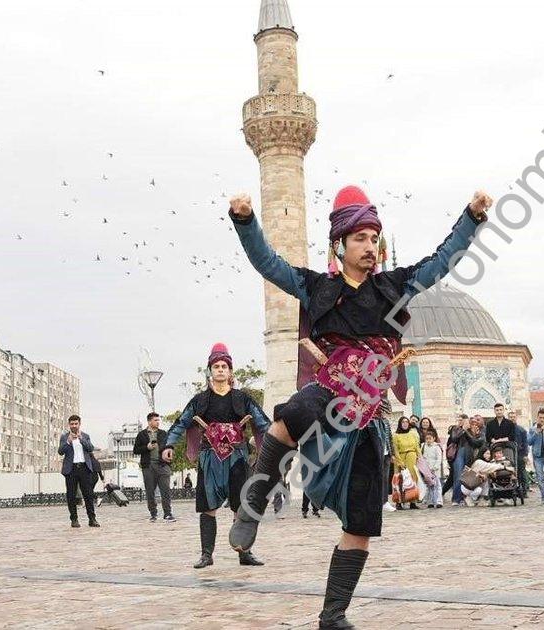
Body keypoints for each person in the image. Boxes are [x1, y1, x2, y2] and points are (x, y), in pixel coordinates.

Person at [224, 185, 493, 629]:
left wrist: (471, 217)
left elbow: (442, 260)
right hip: (328, 394)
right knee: (292, 412)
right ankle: (252, 504)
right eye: (360, 239)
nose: (369, 248)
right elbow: (267, 263)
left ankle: (332, 615)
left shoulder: (395, 286)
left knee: (362, 524)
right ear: (340, 245)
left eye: (375, 239)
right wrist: (246, 221)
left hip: (368, 419)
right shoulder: (316, 288)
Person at [164, 343, 271, 567]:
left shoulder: (243, 399)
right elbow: (181, 422)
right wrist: (169, 445)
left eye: (224, 366)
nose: (220, 369)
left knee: (240, 505)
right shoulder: (199, 401)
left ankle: (244, 553)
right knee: (207, 506)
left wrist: (279, 441)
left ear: (230, 371)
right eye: (216, 366)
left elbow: (262, 423)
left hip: (237, 458)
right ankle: (206, 554)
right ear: (210, 371)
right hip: (209, 458)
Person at [58, 415, 99, 528]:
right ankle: (74, 519)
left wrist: (81, 439)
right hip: (71, 469)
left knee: (88, 495)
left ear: (79, 424)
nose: (74, 426)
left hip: (84, 468)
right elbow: (60, 451)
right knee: (71, 495)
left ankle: (92, 519)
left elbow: (90, 448)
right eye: (72, 424)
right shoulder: (64, 437)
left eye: (76, 423)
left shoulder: (85, 436)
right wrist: (68, 442)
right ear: (69, 425)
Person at [133, 412, 174, 522]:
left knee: (165, 490)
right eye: (156, 420)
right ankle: (153, 514)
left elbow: (169, 445)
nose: (158, 422)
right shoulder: (141, 434)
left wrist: (169, 455)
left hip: (163, 465)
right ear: (149, 421)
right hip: (148, 466)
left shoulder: (163, 433)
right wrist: (147, 447)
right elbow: (135, 450)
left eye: (158, 420)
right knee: (150, 491)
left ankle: (168, 514)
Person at [391, 416, 422, 510]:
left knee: (413, 479)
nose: (405, 423)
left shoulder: (412, 433)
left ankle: (412, 501)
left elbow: (417, 446)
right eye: (403, 422)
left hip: (411, 458)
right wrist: (400, 462)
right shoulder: (395, 435)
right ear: (400, 424)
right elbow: (395, 449)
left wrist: (420, 457)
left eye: (406, 422)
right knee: (400, 480)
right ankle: (399, 502)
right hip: (400, 458)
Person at [442, 415, 467, 498]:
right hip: (454, 456)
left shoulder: (468, 429)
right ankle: (454, 496)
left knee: (454, 477)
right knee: (454, 476)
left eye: (462, 420)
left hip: (464, 455)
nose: (460, 422)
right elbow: (454, 438)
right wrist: (463, 430)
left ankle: (442, 492)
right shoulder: (455, 429)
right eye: (459, 420)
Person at [420, 431, 446, 508]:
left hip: (435, 470)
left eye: (430, 438)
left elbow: (439, 458)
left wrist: (435, 467)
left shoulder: (437, 447)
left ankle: (438, 501)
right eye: (427, 438)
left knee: (437, 485)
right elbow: (422, 458)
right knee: (429, 486)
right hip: (426, 470)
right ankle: (430, 501)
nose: (428, 440)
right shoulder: (423, 446)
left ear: (434, 438)